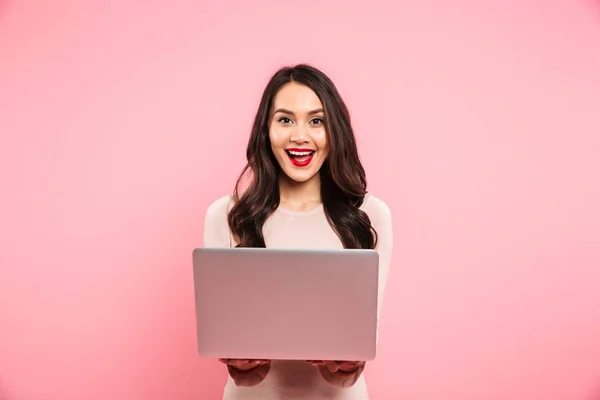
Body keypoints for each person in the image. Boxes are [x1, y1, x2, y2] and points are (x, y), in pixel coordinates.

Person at [203, 64, 393, 400]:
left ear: (335, 130)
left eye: (316, 120)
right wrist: (244, 365)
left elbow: (358, 358)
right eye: (285, 119)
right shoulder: (227, 216)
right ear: (266, 129)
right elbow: (242, 375)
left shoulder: (369, 216)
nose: (300, 136)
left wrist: (347, 366)